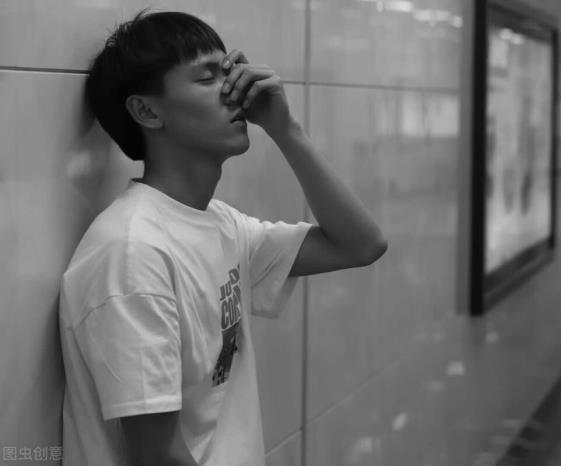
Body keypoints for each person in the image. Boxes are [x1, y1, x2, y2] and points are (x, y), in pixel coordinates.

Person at [58, 9, 387, 466]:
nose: (235, 90)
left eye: (229, 71)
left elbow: (361, 245)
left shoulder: (218, 223)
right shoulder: (132, 254)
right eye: (207, 77)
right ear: (147, 111)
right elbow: (158, 455)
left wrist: (284, 128)